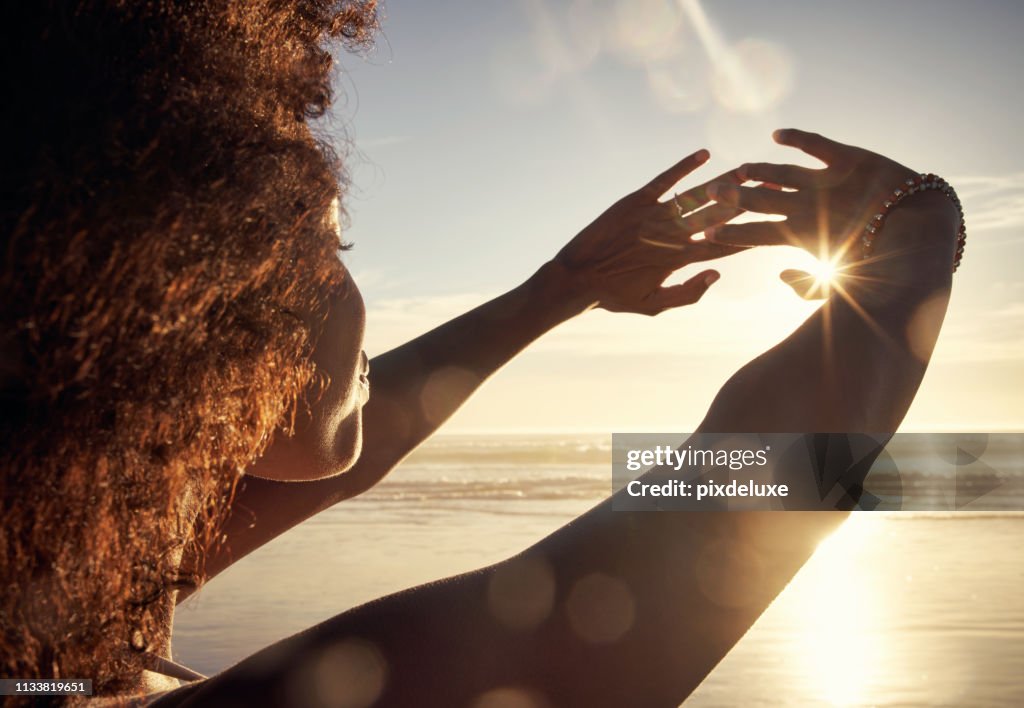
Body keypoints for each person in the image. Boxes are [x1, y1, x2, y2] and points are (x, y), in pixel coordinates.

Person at [0, 2, 961, 706]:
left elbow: (338, 456)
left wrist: (561, 288)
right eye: (333, 246)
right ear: (192, 296)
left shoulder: (47, 615)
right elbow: (728, 519)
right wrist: (914, 245)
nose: (357, 298)